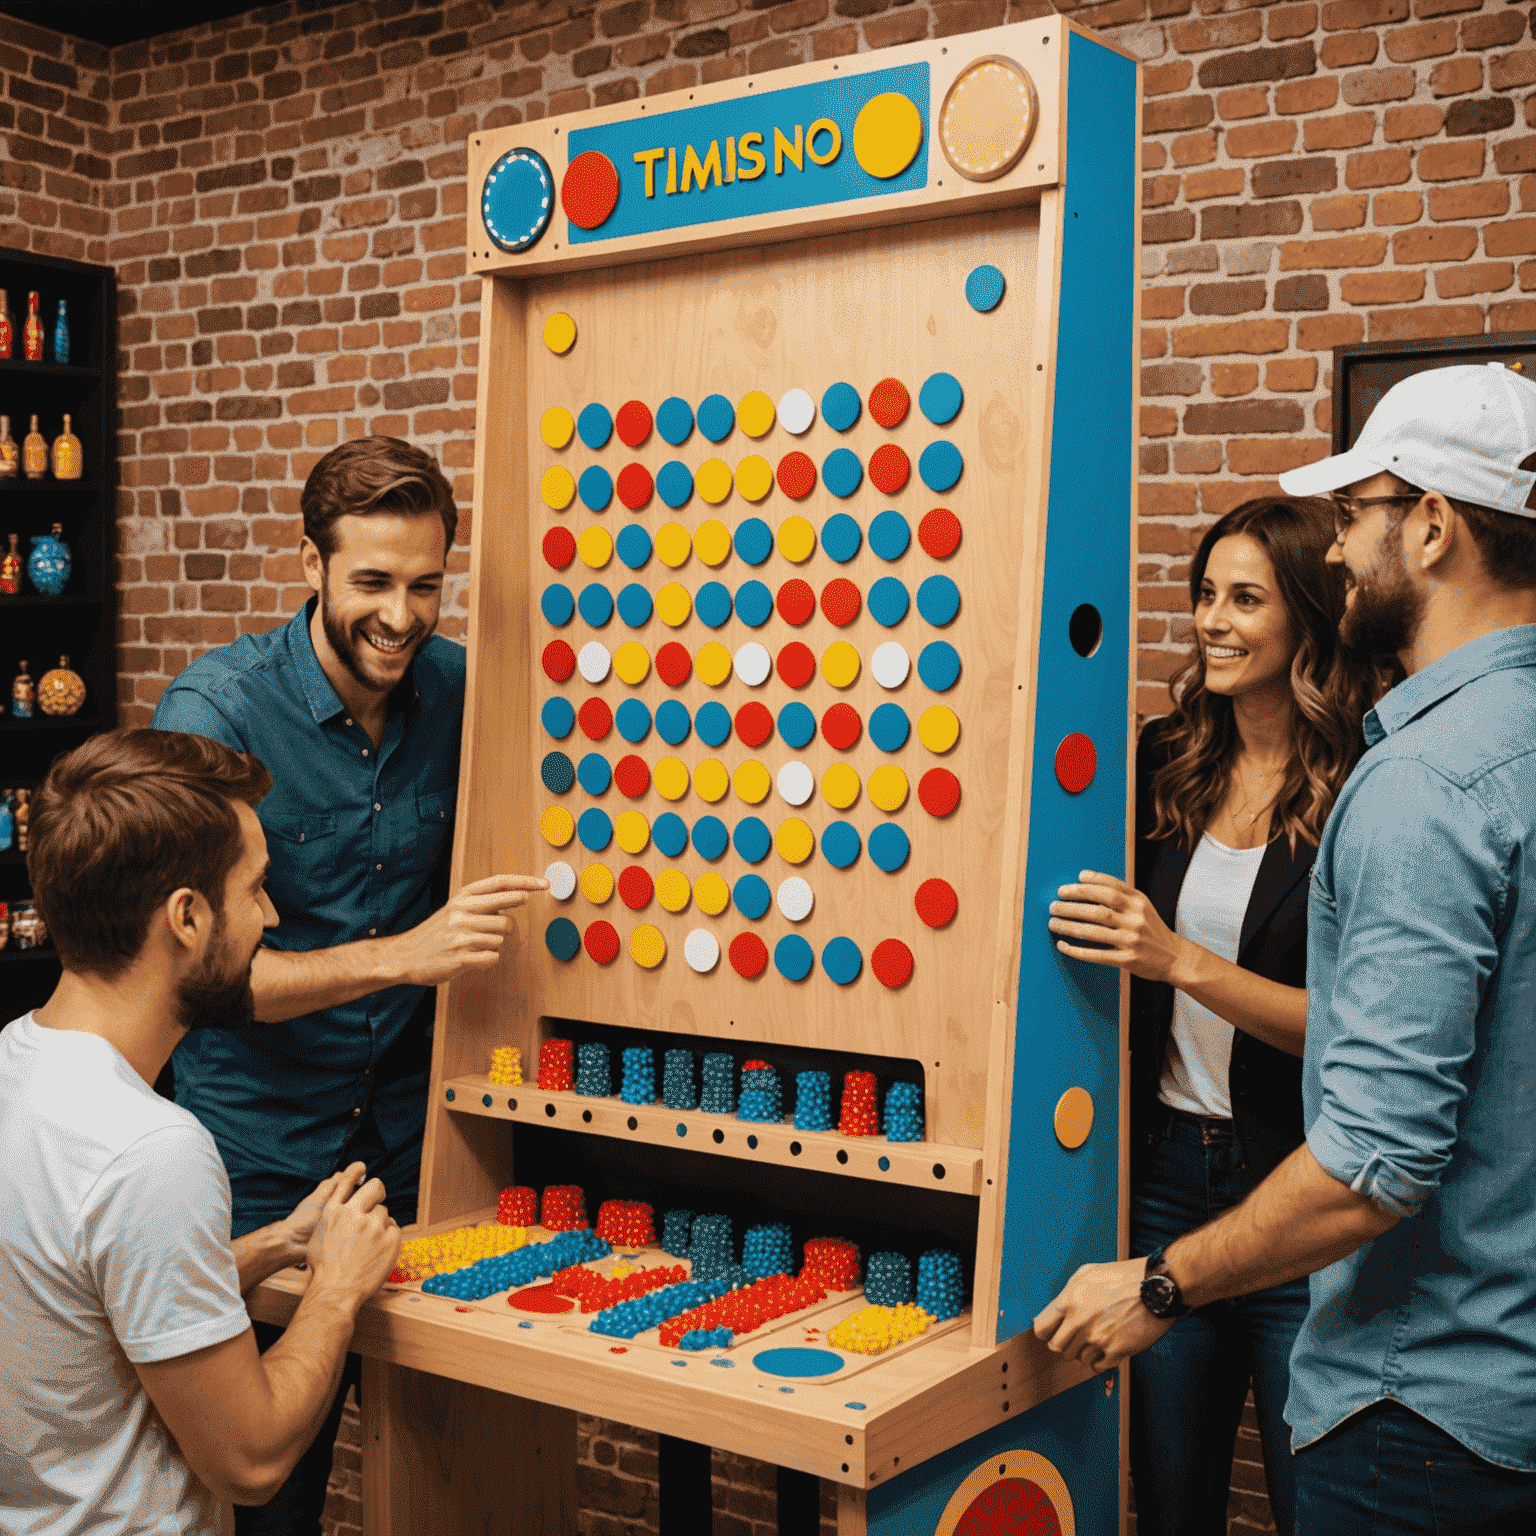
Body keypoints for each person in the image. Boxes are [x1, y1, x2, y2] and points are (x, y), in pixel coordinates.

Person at [1035, 361, 1536, 1534]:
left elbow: (1375, 1154)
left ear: (1432, 525)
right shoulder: (1177, 761)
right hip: (1204, 1184)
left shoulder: (1412, 778)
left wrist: (1161, 1280)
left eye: (1356, 515)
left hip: (1421, 1376)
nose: (1343, 550)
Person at [150, 436, 546, 1533]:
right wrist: (402, 955)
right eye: (372, 582)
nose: (403, 615)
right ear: (312, 566)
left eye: (427, 585)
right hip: (265, 1165)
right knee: (276, 1488)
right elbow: (199, 984)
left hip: (428, 1157)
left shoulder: (464, 689)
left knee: (451, 1476)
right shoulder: (216, 714)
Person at [1045, 496, 1376, 1536]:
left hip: (1296, 1188)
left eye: (1246, 598)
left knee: (1309, 1497)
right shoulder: (1159, 758)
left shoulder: (1364, 782)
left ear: (1307, 620)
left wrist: (1180, 959)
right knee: (1170, 1500)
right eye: (1204, 595)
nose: (1213, 622)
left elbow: (1359, 1029)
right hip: (1162, 1185)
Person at [0, 729, 402, 1536]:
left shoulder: (18, 1063)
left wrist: (275, 1244)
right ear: (187, 916)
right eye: (254, 889)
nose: (271, 915)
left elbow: (79, 1302)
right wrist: (337, 1287)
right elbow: (249, 1461)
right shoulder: (152, 1150)